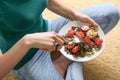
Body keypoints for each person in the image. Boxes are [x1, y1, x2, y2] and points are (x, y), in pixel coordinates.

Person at [0, 0, 119, 80]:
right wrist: (27, 41)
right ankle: (69, 57)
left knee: (110, 13)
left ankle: (68, 55)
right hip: (25, 58)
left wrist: (72, 14)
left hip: (48, 29)